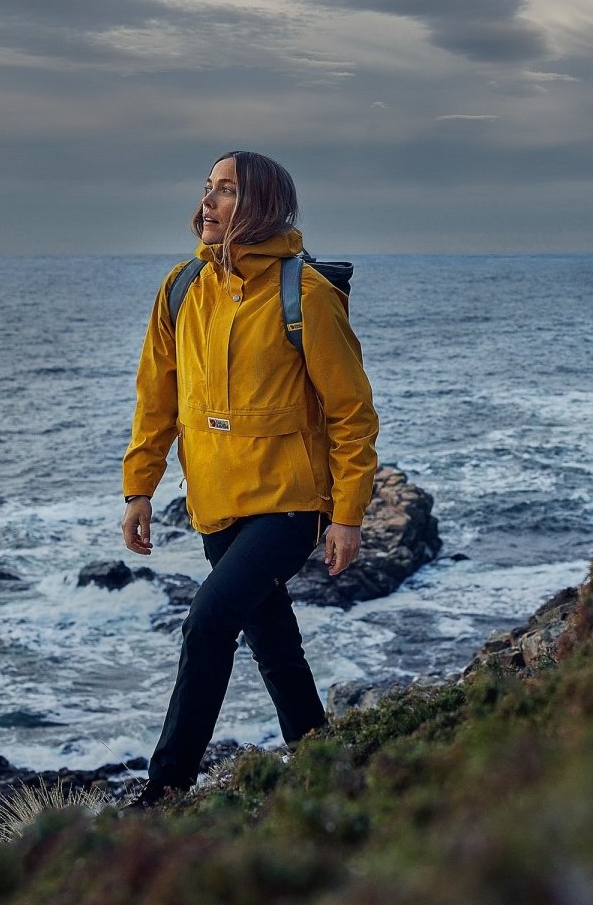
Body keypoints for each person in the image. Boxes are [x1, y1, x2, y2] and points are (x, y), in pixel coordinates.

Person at [120, 150, 378, 806]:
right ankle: (323, 766)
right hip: (214, 503)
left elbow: (351, 413)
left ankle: (166, 786)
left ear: (260, 204)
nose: (208, 202)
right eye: (208, 187)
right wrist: (140, 487)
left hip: (290, 502)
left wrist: (347, 514)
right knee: (274, 643)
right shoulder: (181, 288)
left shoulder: (307, 295)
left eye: (227, 190)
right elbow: (156, 398)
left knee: (207, 622)